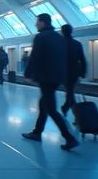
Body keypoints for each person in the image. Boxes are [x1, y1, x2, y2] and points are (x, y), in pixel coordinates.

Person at [22, 13, 78, 150]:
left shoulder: (41, 37)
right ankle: (37, 132)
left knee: (51, 109)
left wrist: (27, 73)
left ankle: (69, 138)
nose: (35, 24)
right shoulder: (59, 38)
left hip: (46, 77)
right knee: (43, 105)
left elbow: (35, 56)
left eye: (37, 22)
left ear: (43, 23)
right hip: (57, 77)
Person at [61, 24, 87, 117]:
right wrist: (83, 73)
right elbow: (82, 59)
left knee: (70, 93)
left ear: (62, 31)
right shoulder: (77, 43)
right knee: (70, 92)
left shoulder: (60, 43)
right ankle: (68, 110)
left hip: (63, 72)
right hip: (75, 72)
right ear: (71, 31)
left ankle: (76, 115)